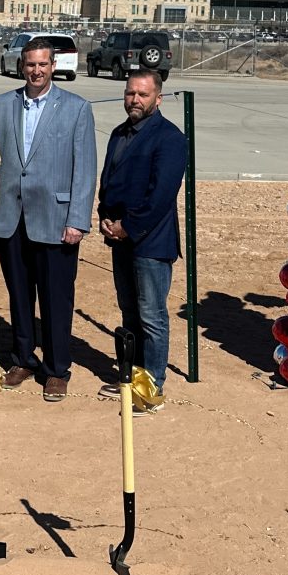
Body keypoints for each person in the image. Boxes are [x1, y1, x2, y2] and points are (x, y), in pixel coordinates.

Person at [0, 37, 96, 402]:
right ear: (22, 66)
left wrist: (77, 219)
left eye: (43, 64)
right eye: (30, 64)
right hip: (11, 218)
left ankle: (55, 369)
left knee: (56, 298)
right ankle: (22, 358)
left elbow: (85, 170)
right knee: (19, 296)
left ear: (54, 66)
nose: (36, 70)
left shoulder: (76, 108)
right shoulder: (2, 105)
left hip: (56, 218)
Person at [96, 69, 187, 415]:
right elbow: (110, 180)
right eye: (131, 93)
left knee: (152, 317)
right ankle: (132, 377)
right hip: (120, 239)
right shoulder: (120, 133)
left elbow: (160, 196)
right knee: (129, 311)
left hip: (150, 242)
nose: (135, 99)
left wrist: (128, 227)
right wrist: (107, 217)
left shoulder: (169, 138)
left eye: (143, 95)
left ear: (158, 98)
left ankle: (152, 389)